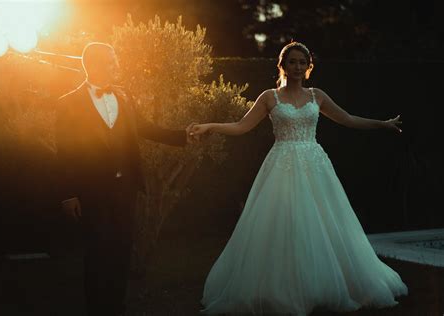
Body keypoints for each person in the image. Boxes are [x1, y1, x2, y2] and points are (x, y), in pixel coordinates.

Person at [190, 41, 408, 315]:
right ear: (282, 65)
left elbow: (348, 119)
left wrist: (382, 124)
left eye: (302, 62)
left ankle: (328, 284)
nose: (297, 67)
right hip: (281, 166)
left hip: (315, 165)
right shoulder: (269, 97)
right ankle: (281, 288)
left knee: (324, 223)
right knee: (283, 225)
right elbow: (241, 126)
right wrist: (211, 126)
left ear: (309, 67)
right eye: (292, 62)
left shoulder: (317, 96)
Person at [55, 42, 196, 316]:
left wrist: (182, 136)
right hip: (90, 191)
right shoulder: (67, 103)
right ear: (93, 64)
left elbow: (144, 128)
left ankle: (116, 307)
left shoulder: (124, 97)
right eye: (110, 60)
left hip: (126, 188)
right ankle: (96, 308)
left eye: (115, 60)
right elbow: (65, 150)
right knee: (97, 252)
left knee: (121, 250)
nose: (115, 65)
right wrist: (68, 193)